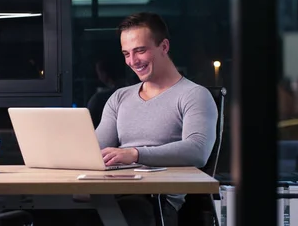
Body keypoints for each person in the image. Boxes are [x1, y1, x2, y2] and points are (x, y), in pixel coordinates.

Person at [95, 12, 218, 226]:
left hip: (156, 202)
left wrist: (134, 154)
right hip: (116, 191)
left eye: (140, 50)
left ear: (164, 47)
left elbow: (198, 151)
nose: (133, 61)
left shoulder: (194, 95)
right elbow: (95, 149)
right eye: (126, 53)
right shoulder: (119, 98)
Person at [87, 57, 133, 128]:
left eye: (99, 72)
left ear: (104, 73)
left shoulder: (99, 98)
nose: (99, 77)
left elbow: (88, 124)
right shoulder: (131, 90)